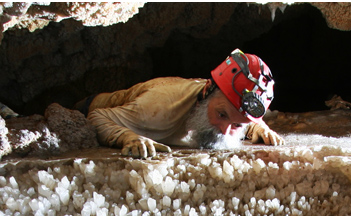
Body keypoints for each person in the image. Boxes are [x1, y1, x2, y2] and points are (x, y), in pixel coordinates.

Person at [80, 49, 284, 158]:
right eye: (221, 115)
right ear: (206, 92)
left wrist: (257, 127)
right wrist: (127, 137)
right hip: (83, 105)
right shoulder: (158, 108)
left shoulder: (226, 103)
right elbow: (97, 116)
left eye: (237, 125)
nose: (224, 131)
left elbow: (236, 113)